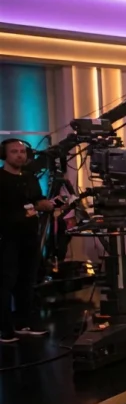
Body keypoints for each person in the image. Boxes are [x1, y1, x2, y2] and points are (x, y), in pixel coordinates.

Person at [0, 139, 51, 343]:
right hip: (7, 237)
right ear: (5, 155)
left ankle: (24, 323)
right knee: (5, 283)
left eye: (22, 151)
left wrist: (45, 204)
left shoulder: (30, 177)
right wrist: (34, 209)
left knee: (27, 282)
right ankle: (5, 329)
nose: (20, 155)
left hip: (29, 236)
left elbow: (37, 199)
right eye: (14, 152)